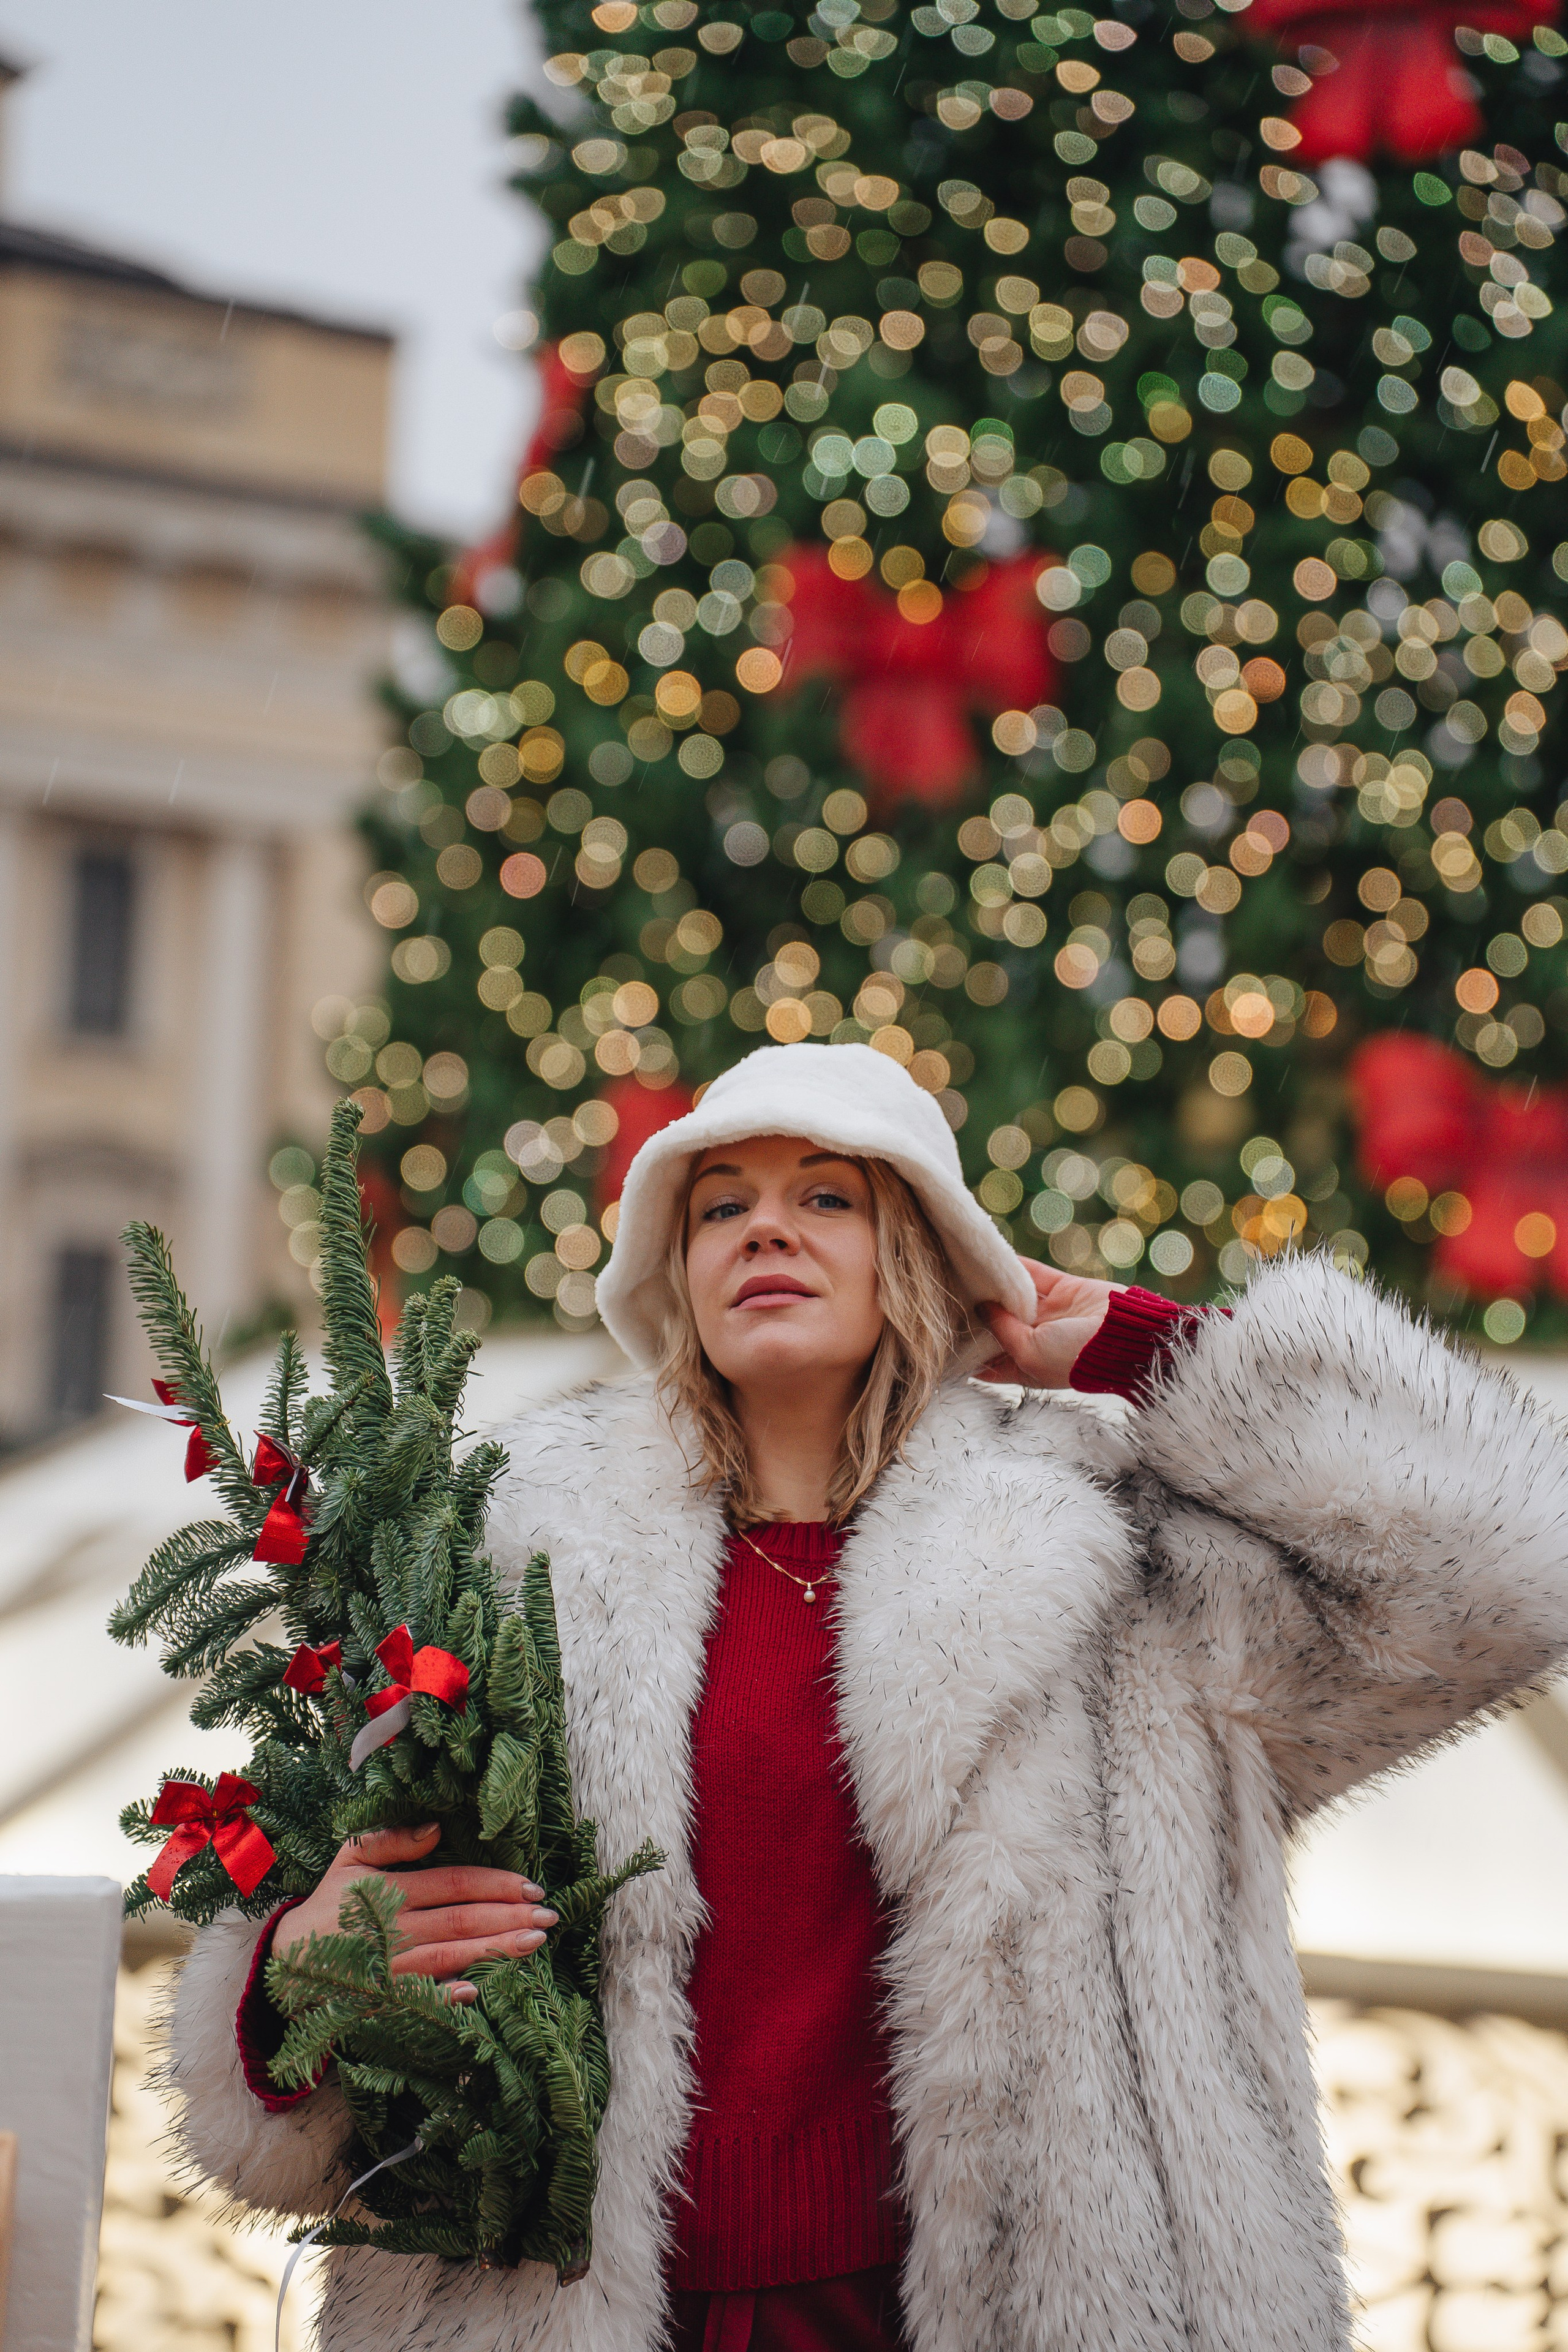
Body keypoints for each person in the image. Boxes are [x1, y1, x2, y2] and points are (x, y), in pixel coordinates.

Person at [165, 1041, 1568, 2352]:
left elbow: (1502, 1570)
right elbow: (312, 2018)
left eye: (822, 1197)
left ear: (920, 1254)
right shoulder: (501, 1563)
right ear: (678, 1274)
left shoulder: (1125, 1570)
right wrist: (299, 1970)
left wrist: (1146, 1350)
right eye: (721, 1208)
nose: (764, 1231)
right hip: (575, 2310)